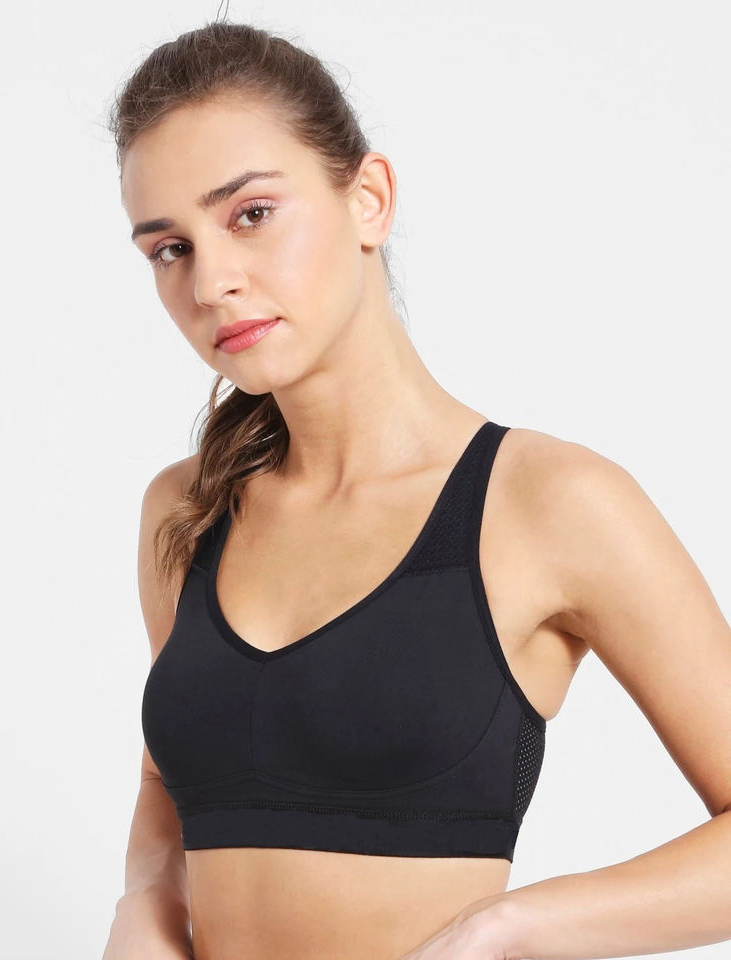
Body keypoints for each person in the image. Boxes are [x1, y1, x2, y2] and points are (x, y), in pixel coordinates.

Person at [103, 19, 731, 960]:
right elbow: (171, 782)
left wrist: (510, 929)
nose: (211, 282)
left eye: (251, 214)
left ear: (369, 200)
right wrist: (144, 903)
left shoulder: (550, 504)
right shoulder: (188, 512)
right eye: (169, 249)